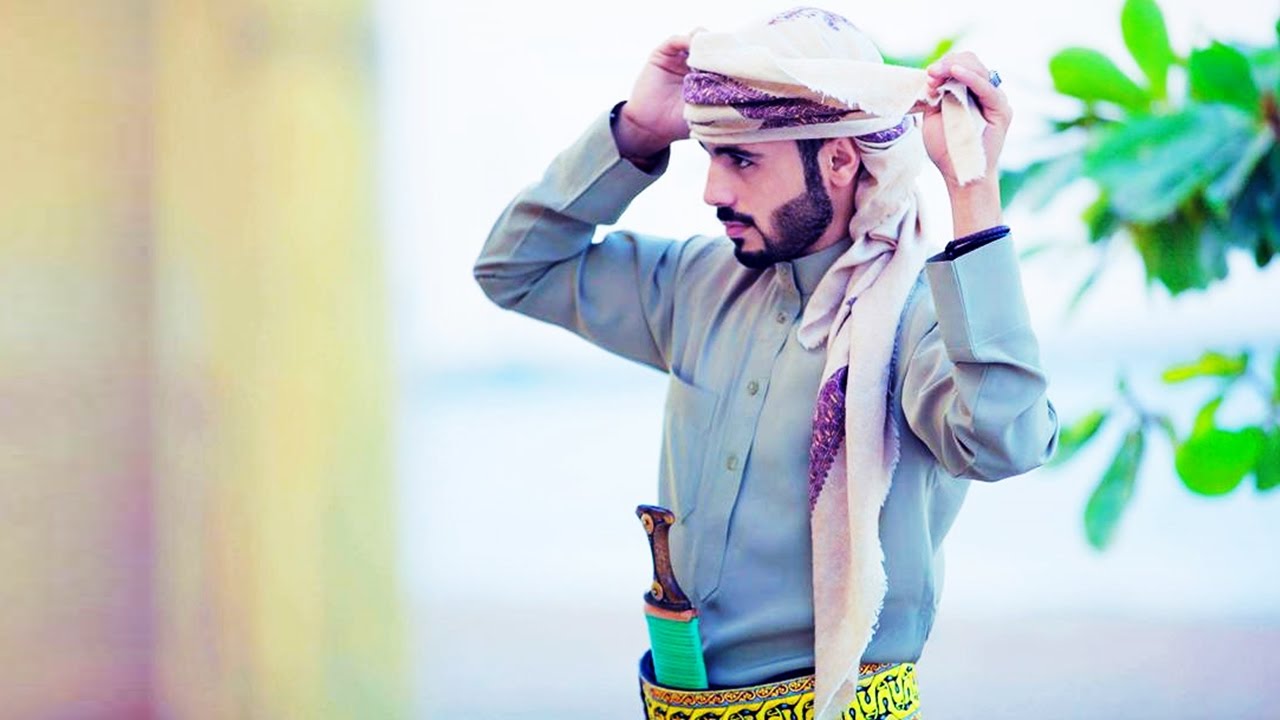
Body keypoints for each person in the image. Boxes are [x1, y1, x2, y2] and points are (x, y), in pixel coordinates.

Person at [474, 8, 1058, 719]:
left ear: (839, 161)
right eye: (711, 156)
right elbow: (514, 270)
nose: (713, 192)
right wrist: (638, 132)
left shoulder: (918, 320)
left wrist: (972, 190)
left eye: (742, 160)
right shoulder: (697, 285)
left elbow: (1007, 441)